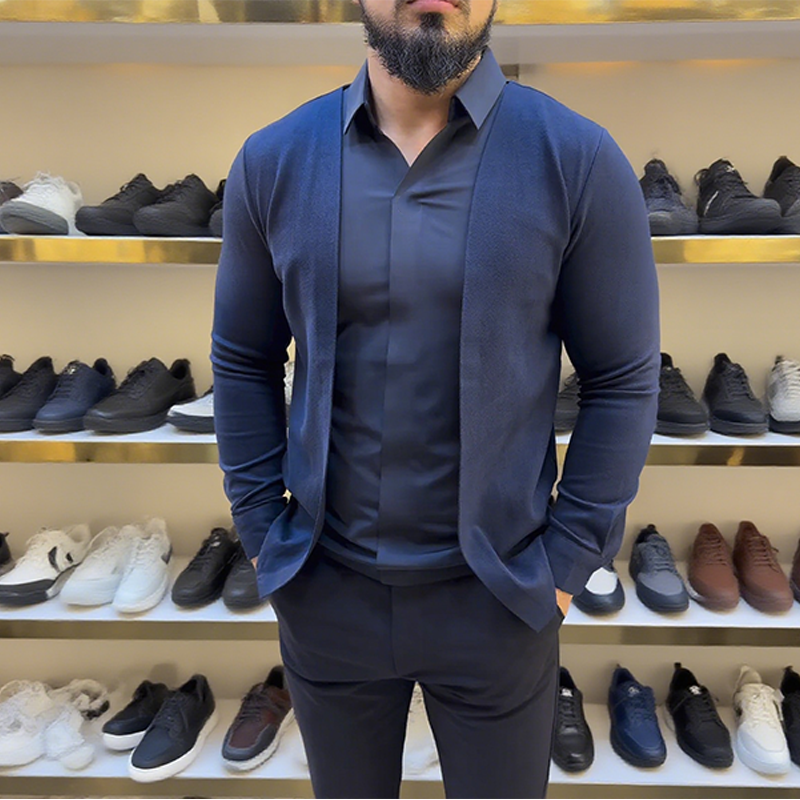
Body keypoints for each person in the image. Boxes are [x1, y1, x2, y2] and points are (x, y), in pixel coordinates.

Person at [211, 0, 659, 797]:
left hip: (500, 601)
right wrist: (260, 534)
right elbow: (244, 361)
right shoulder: (275, 160)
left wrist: (564, 566)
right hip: (326, 596)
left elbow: (621, 378)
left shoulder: (577, 159)